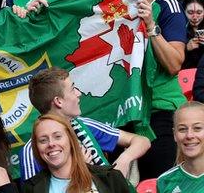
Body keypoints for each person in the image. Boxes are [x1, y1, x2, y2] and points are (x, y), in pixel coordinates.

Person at [117, 0, 188, 179]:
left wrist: (150, 26)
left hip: (160, 110)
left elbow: (174, 63)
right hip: (123, 111)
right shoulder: (115, 8)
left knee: (156, 183)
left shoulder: (167, 6)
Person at [20, 67, 151, 181]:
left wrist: (124, 160)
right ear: (58, 101)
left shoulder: (83, 124)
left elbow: (141, 141)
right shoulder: (31, 151)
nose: (79, 93)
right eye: (72, 89)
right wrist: (79, 170)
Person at [23, 114, 131, 192]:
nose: (51, 144)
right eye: (43, 140)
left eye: (58, 136)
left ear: (71, 140)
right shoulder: (31, 189)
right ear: (36, 147)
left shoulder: (111, 178)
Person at [156, 102, 204, 192]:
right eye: (182, 129)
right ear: (174, 134)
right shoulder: (164, 181)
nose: (189, 135)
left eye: (197, 128)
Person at [183, 0, 204, 69]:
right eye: (190, 13)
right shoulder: (179, 29)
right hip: (186, 75)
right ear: (183, 11)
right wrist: (186, 49)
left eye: (199, 13)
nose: (195, 17)